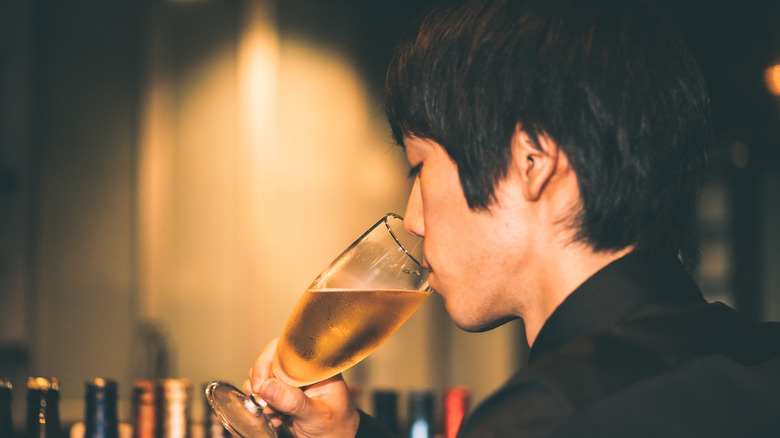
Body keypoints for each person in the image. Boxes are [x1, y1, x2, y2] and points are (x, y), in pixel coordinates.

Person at [243, 0, 780, 436]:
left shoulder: (543, 418)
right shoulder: (758, 356)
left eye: (419, 168)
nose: (413, 220)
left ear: (533, 161)